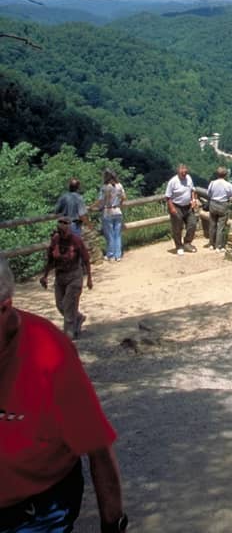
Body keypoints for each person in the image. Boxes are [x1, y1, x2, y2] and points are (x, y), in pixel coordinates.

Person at [0, 256, 128, 533]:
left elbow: (96, 444)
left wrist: (113, 523)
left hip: (35, 514)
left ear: (4, 308)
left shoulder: (47, 349)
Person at [39, 217, 92, 341]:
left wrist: (89, 278)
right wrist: (45, 276)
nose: (63, 233)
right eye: (60, 230)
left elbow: (86, 259)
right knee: (60, 305)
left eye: (65, 229)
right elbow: (50, 259)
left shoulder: (76, 241)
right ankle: (78, 318)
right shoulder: (55, 240)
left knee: (69, 304)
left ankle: (68, 334)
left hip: (74, 276)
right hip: (60, 276)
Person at [165, 163, 198, 256]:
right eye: (182, 172)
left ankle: (187, 243)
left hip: (188, 206)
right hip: (176, 206)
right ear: (178, 172)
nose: (184, 174)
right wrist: (172, 208)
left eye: (185, 172)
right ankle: (179, 246)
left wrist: (194, 200)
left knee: (193, 224)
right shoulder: (173, 181)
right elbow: (168, 197)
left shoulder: (189, 178)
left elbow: (192, 190)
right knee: (177, 228)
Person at [96, 170, 127, 262]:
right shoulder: (119, 185)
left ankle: (111, 254)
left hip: (108, 211)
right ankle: (118, 255)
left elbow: (101, 200)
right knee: (117, 234)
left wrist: (92, 207)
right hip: (117, 210)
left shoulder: (105, 187)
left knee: (109, 235)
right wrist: (119, 203)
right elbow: (124, 197)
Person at [205, 166, 232, 251]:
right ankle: (219, 246)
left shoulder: (212, 183)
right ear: (225, 175)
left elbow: (208, 193)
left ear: (217, 174)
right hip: (223, 205)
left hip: (213, 204)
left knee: (212, 225)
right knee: (221, 226)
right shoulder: (228, 184)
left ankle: (211, 244)